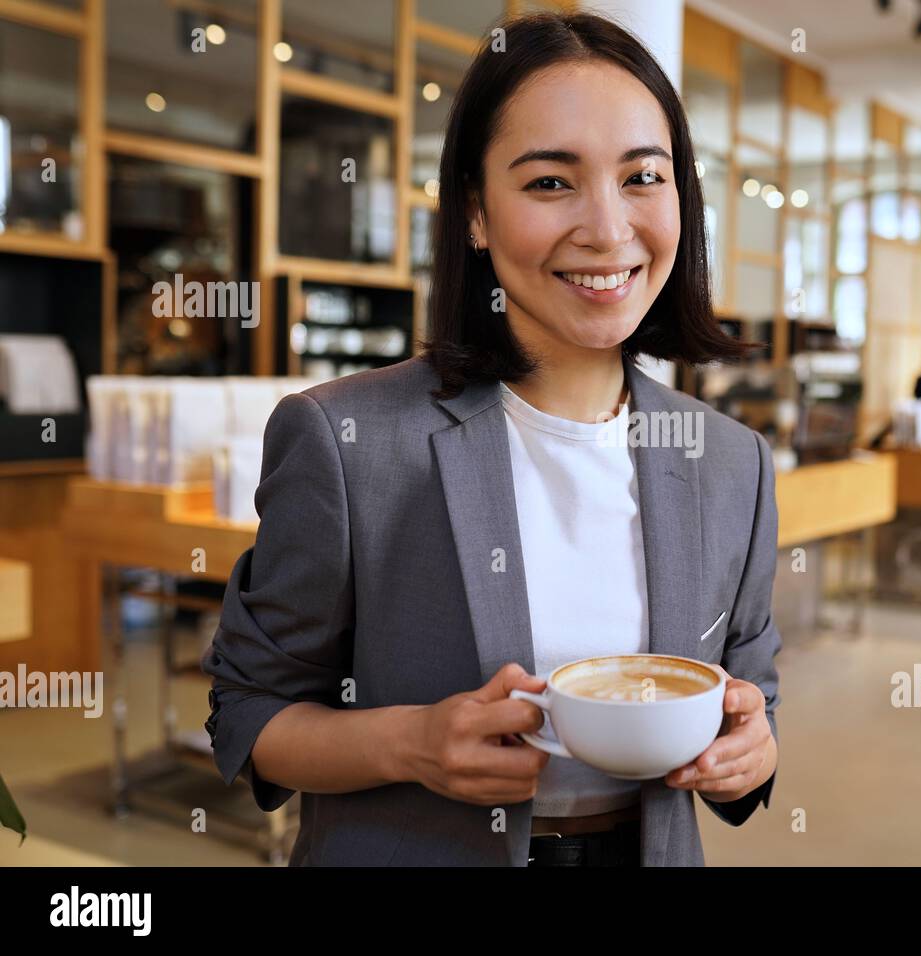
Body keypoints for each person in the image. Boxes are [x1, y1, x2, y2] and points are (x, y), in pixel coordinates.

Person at [201, 11, 780, 867]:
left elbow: (752, 694)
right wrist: (411, 744)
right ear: (475, 212)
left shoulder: (732, 459)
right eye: (551, 183)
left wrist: (751, 750)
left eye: (643, 177)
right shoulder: (349, 441)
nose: (609, 228)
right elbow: (249, 711)